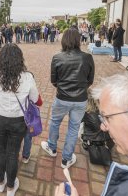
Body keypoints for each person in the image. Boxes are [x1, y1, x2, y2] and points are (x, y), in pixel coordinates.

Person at [0, 44, 38, 195]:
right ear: (19, 59)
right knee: (13, 153)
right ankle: (10, 187)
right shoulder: (27, 77)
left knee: (1, 150)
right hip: (18, 121)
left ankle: (0, 183)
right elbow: (34, 98)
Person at [41, 29, 95, 169]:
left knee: (55, 122)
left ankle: (52, 147)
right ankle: (66, 158)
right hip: (80, 99)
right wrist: (81, 88)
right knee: (73, 127)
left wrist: (63, 88)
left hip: (62, 97)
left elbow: (54, 81)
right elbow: (90, 80)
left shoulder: (58, 57)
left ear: (64, 40)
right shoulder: (87, 58)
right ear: (78, 40)